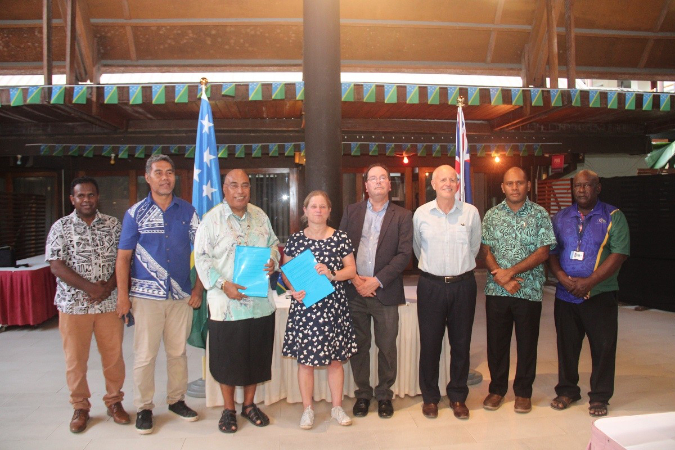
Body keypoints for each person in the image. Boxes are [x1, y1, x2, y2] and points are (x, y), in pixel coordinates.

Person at [116, 155, 203, 434]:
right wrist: (122, 296)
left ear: (175, 177)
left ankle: (176, 400)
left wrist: (198, 288)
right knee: (145, 355)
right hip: (145, 298)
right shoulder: (135, 213)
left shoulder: (188, 212)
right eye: (159, 173)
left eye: (169, 172)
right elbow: (123, 257)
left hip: (181, 296)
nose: (165, 177)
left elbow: (202, 254)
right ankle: (144, 407)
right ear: (148, 177)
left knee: (177, 353)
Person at [194, 169, 280, 433]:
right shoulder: (211, 220)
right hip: (226, 307)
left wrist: (273, 260)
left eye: (245, 185)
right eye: (234, 185)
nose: (240, 191)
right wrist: (223, 284)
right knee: (228, 360)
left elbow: (274, 243)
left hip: (259, 305)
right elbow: (202, 259)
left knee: (255, 358)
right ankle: (229, 409)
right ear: (224, 188)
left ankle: (250, 405)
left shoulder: (260, 215)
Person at [46, 176, 129, 433]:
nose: (86, 200)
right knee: (76, 360)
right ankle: (80, 407)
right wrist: (90, 287)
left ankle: (114, 402)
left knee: (114, 358)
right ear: (73, 199)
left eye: (91, 195)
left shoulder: (114, 225)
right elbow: (56, 265)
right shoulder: (60, 227)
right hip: (74, 307)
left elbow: (124, 259)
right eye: (81, 196)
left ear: (97, 197)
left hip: (109, 305)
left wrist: (108, 287)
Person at [548, 170, 630, 417]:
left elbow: (619, 253)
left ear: (598, 188)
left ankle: (600, 396)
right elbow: (552, 251)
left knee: (603, 347)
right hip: (565, 295)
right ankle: (567, 390)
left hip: (600, 295)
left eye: (587, 185)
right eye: (578, 186)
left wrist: (590, 281)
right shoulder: (561, 217)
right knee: (567, 347)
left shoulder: (614, 216)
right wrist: (561, 277)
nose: (581, 190)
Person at [480, 167, 557, 414]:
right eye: (510, 183)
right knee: (496, 344)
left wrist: (509, 272)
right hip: (497, 291)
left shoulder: (540, 214)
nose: (515, 187)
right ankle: (497, 390)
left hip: (529, 291)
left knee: (527, 344)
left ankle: (523, 392)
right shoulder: (491, 215)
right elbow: (486, 250)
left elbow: (543, 252)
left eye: (519, 183)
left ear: (528, 186)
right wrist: (501, 279)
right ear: (502, 187)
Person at [339, 163, 413, 418]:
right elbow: (341, 248)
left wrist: (377, 280)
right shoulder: (351, 211)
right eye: (373, 178)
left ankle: (384, 394)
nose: (379, 181)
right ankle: (362, 394)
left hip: (386, 291)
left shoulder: (403, 215)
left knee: (386, 346)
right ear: (366, 186)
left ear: (390, 185)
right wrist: (356, 280)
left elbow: (405, 255)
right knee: (359, 345)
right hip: (354, 291)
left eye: (384, 177)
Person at [282, 190, 357, 430]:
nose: (318, 210)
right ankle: (307, 410)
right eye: (313, 206)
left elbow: (351, 271)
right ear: (305, 211)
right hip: (305, 307)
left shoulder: (341, 238)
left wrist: (332, 274)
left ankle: (337, 407)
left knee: (335, 361)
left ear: (329, 211)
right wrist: (293, 290)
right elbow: (286, 272)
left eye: (322, 206)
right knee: (306, 362)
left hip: (334, 307)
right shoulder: (294, 240)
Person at [413, 165, 481, 420]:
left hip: (463, 285)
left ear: (457, 184)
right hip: (430, 286)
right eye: (443, 179)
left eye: (452, 179)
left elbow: (474, 247)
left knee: (461, 344)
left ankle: (458, 396)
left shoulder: (471, 213)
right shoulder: (421, 214)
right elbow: (418, 249)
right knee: (430, 343)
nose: (448, 183)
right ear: (433, 184)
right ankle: (430, 398)